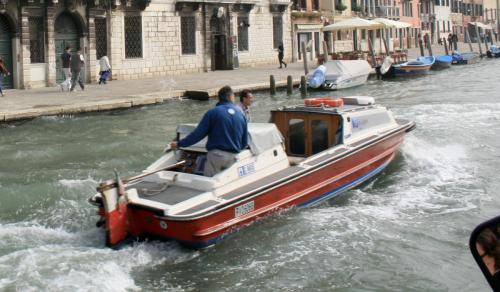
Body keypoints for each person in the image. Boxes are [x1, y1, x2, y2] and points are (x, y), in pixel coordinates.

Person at [170, 86, 248, 177]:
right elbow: (244, 143)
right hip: (233, 157)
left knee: (210, 183)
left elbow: (197, 135)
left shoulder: (212, 113)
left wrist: (179, 144)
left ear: (219, 98)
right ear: (231, 97)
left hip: (216, 156)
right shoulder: (241, 114)